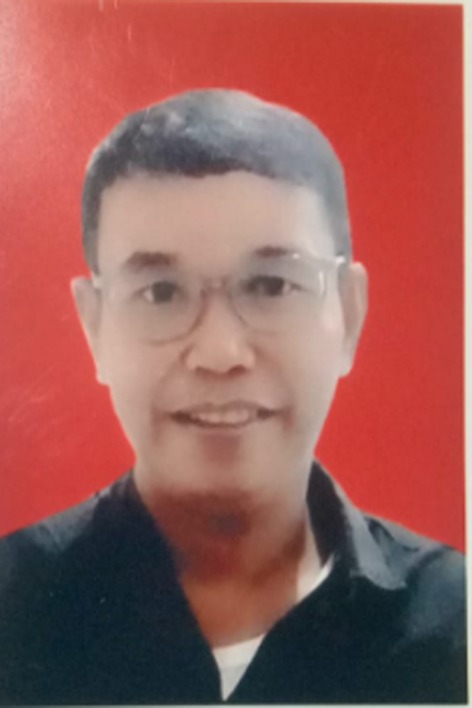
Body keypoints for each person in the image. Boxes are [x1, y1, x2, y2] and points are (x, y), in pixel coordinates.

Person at [0, 89, 466, 705]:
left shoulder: (452, 625)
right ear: (95, 329)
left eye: (271, 285)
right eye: (161, 292)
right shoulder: (14, 609)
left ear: (349, 316)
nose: (220, 353)